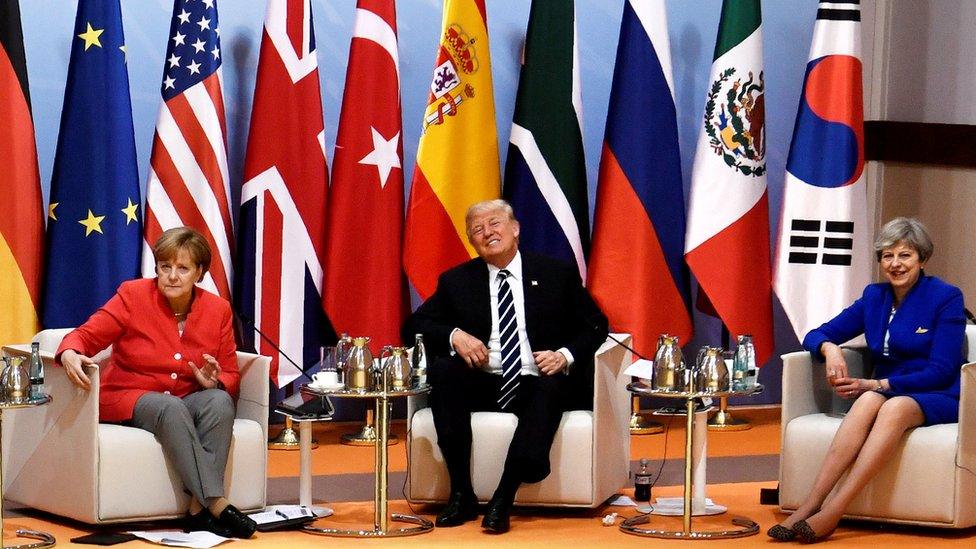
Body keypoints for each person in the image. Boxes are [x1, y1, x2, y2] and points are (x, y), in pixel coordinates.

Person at [402, 199, 609, 534]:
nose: (488, 233)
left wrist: (565, 355)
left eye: (495, 223)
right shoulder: (458, 281)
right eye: (477, 230)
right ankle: (461, 493)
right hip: (485, 379)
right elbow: (412, 326)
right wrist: (455, 336)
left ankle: (503, 497)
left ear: (515, 229)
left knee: (549, 387)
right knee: (444, 372)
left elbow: (596, 325)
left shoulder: (556, 274)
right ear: (472, 241)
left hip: (538, 378)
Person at [767, 217, 965, 543]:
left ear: (922, 258)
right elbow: (818, 333)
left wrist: (877, 385)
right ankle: (810, 504)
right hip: (886, 389)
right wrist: (831, 350)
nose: (895, 264)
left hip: (937, 392)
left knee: (892, 405)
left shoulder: (945, 297)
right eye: (887, 256)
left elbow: (942, 370)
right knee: (870, 401)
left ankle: (834, 510)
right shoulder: (874, 297)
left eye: (905, 255)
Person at [57, 227, 258, 539]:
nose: (172, 276)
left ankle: (196, 511)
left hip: (186, 398)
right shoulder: (133, 296)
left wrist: (214, 383)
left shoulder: (217, 309)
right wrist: (70, 351)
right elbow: (85, 335)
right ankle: (215, 502)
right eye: (165, 267)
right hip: (128, 395)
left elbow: (231, 376)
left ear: (199, 273)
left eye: (183, 268)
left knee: (219, 402)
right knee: (169, 406)